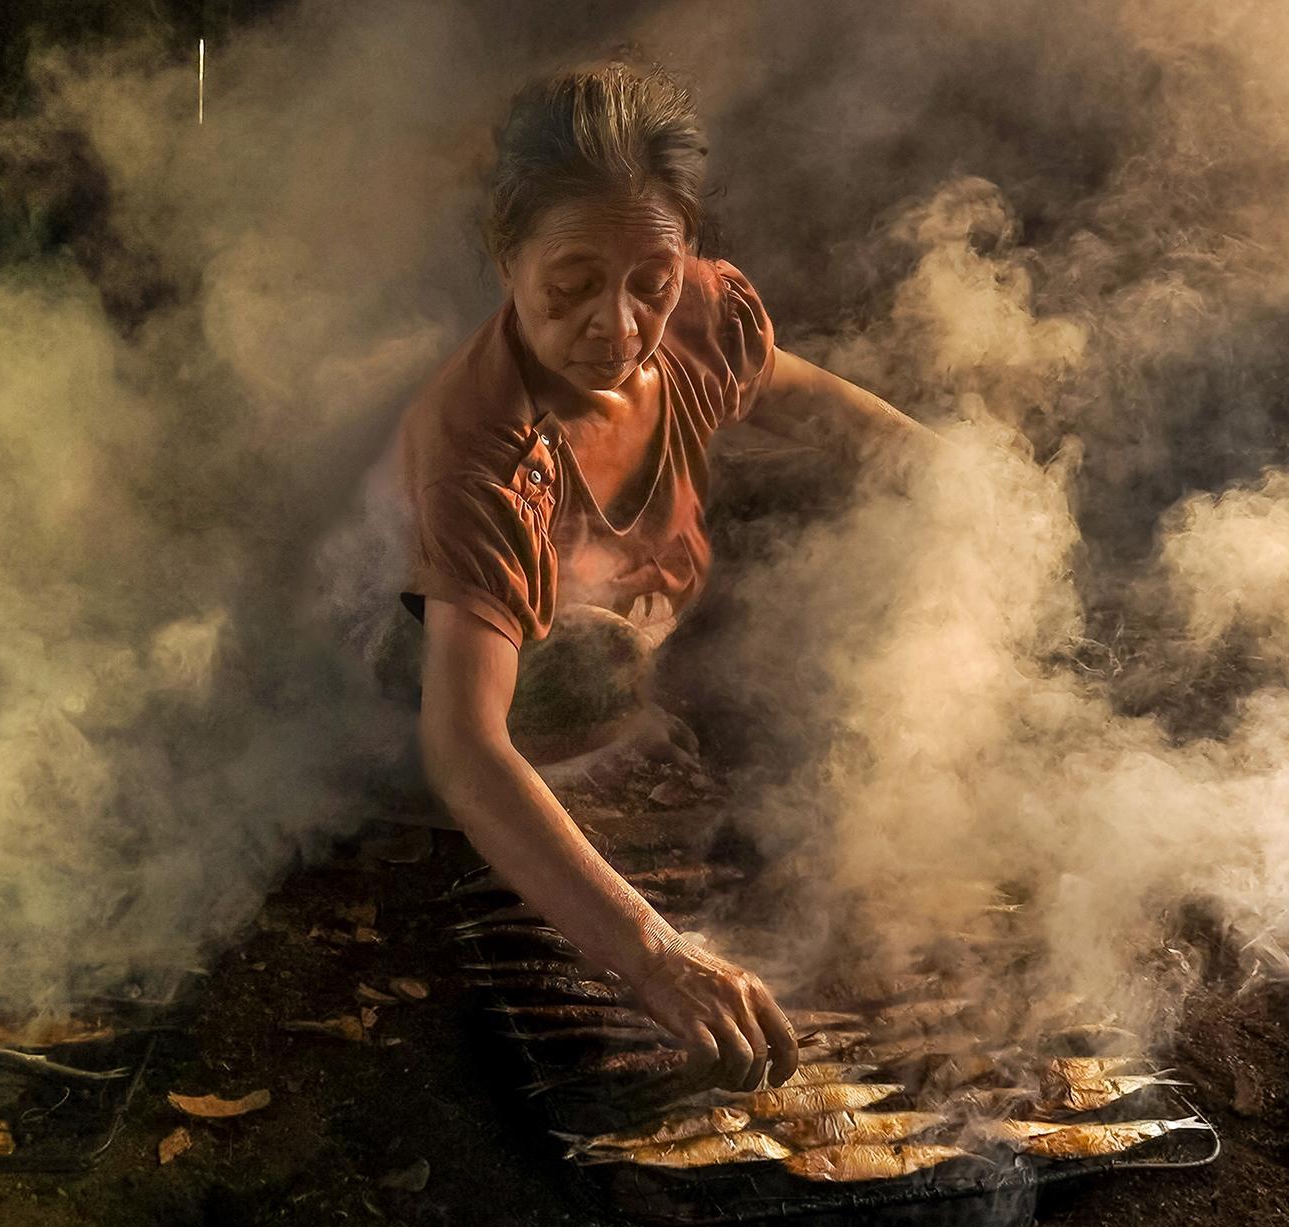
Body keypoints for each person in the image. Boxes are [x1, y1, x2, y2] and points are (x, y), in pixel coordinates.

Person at [395, 58, 933, 1092]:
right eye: (572, 285)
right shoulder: (484, 454)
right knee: (582, 664)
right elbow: (463, 747)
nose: (618, 324)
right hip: (477, 789)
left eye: (650, 282)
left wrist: (970, 493)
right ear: (504, 256)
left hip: (630, 746)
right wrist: (649, 952)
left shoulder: (693, 318)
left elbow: (802, 399)